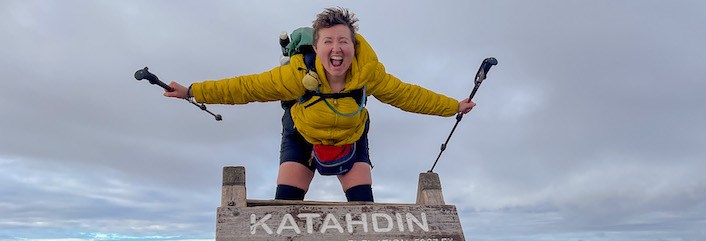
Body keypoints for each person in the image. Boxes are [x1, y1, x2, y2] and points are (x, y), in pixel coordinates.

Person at [164, 7, 475, 202]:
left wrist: (452, 106)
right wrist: (192, 90)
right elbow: (246, 87)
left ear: (354, 46)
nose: (336, 49)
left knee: (363, 209)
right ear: (316, 46)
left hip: (350, 137)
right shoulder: (296, 75)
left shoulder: (369, 75)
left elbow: (408, 95)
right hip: (302, 134)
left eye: (344, 41)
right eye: (328, 42)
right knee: (285, 207)